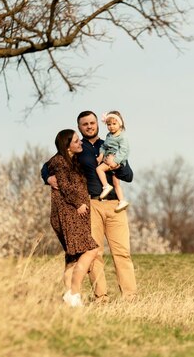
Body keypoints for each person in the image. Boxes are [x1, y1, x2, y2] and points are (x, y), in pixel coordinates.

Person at [42, 111, 137, 302]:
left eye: (92, 123)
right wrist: (47, 177)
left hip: (115, 204)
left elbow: (129, 175)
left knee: (122, 252)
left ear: (98, 124)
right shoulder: (76, 147)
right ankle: (100, 296)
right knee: (94, 253)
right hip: (92, 204)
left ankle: (130, 297)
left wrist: (116, 165)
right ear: (79, 127)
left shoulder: (109, 144)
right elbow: (48, 165)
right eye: (84, 124)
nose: (89, 126)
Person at [47, 129, 99, 307]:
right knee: (91, 250)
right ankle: (74, 293)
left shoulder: (71, 160)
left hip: (72, 214)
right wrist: (78, 203)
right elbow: (65, 186)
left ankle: (69, 298)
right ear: (67, 145)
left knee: (73, 256)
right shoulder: (59, 162)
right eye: (76, 141)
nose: (80, 143)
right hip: (68, 214)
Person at [96, 110, 130, 213]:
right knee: (116, 184)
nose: (111, 126)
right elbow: (103, 146)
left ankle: (106, 186)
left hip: (115, 160)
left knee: (99, 169)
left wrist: (115, 161)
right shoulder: (109, 136)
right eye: (108, 124)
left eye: (114, 124)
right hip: (109, 159)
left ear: (120, 123)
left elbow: (124, 150)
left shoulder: (122, 137)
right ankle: (122, 201)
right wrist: (101, 155)